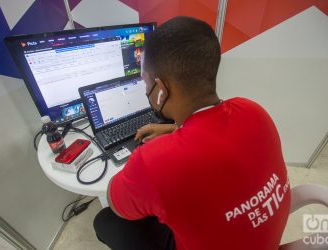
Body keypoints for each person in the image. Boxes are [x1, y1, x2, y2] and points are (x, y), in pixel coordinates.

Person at [94, 16, 291, 250]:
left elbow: (115, 203)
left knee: (105, 220)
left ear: (161, 89)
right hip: (263, 240)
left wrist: (141, 167)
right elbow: (213, 134)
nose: (145, 89)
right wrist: (173, 129)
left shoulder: (154, 161)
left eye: (145, 82)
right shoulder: (253, 110)